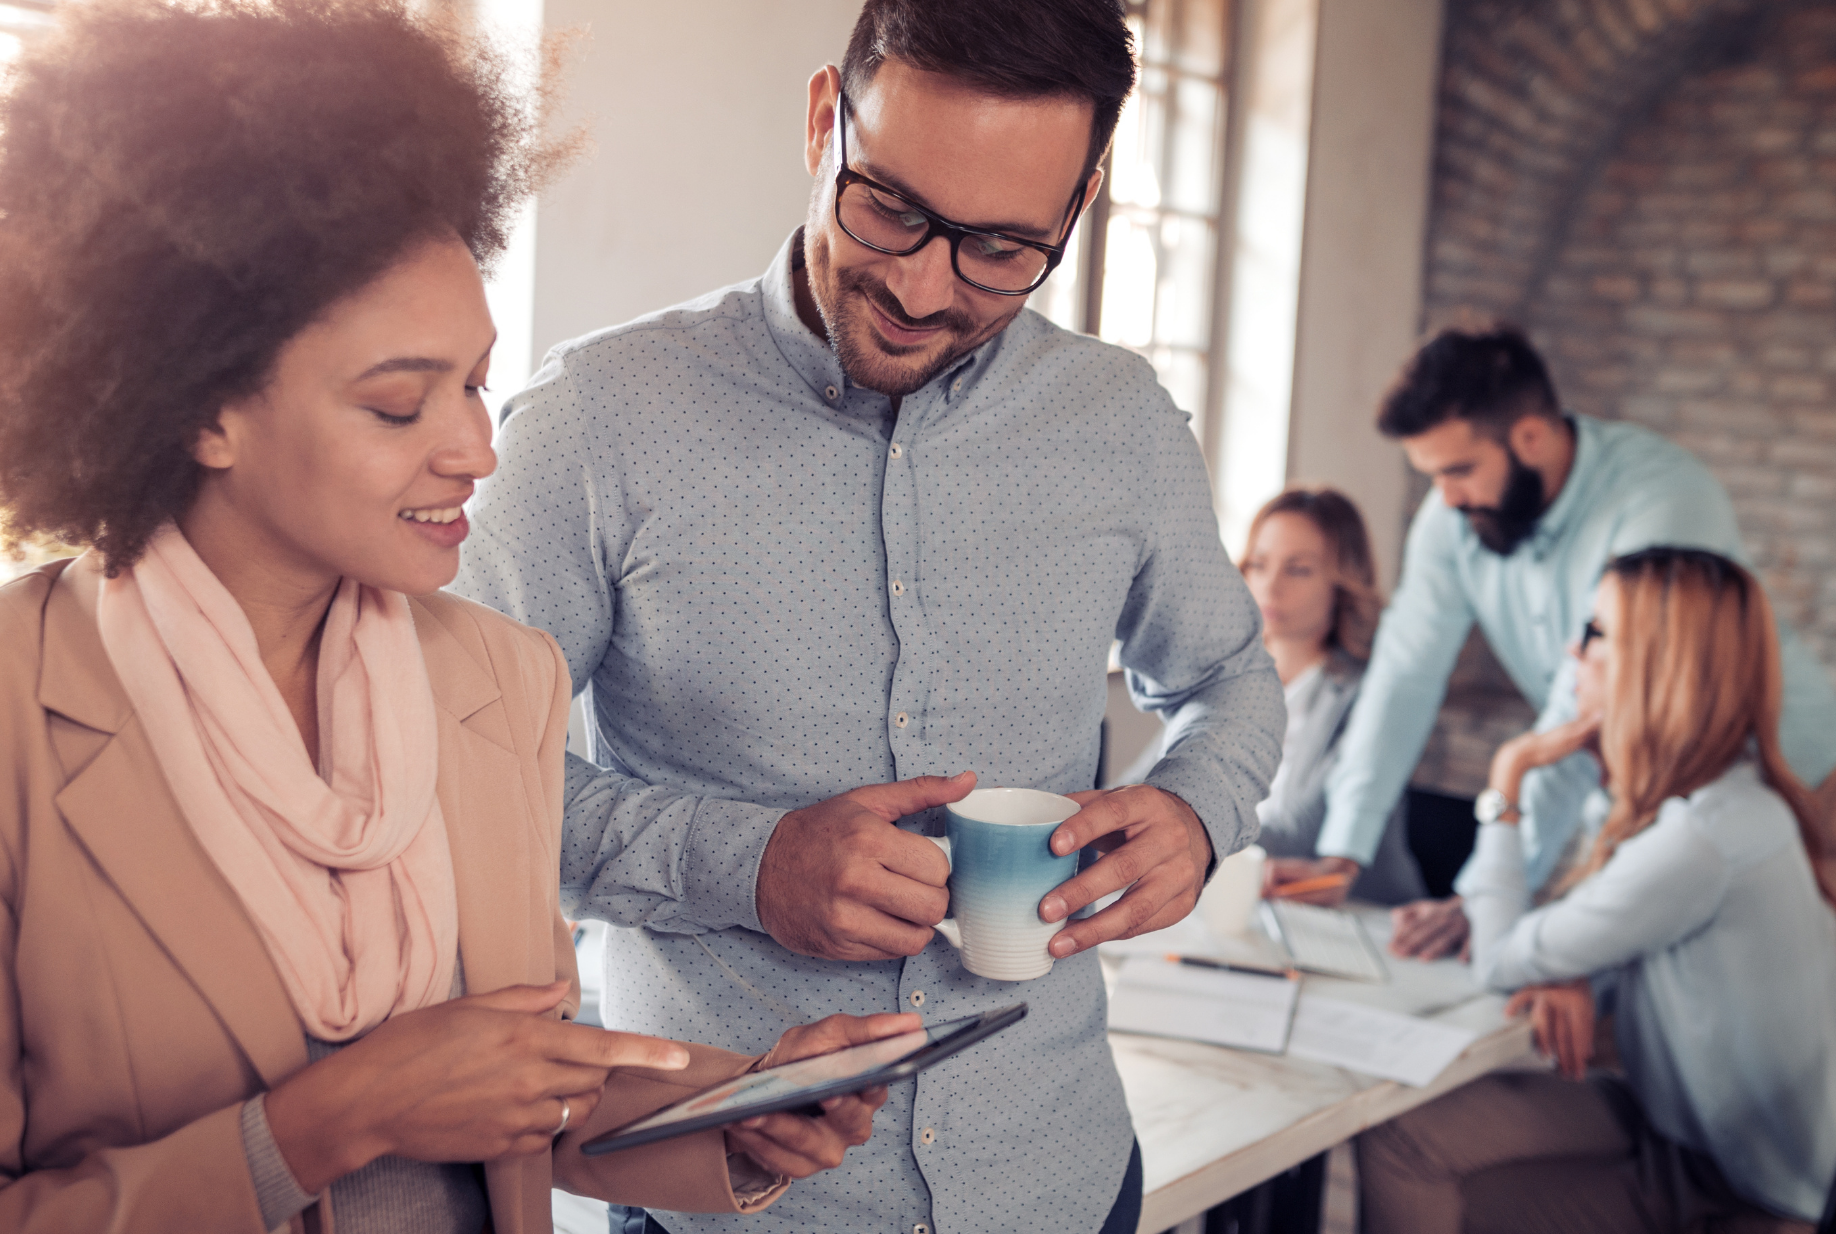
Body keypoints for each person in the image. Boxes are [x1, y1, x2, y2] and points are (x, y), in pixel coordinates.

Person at [0, 6, 909, 1232]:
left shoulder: (498, 679)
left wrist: (731, 1112)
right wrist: (327, 1122)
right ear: (201, 412)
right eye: (399, 406)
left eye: (475, 382)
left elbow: (514, 1087)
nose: (475, 450)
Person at [451, 2, 1285, 1231]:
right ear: (821, 123)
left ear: (1079, 204)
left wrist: (1196, 812)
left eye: (1000, 248)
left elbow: (1230, 678)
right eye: (888, 206)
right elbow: (456, 775)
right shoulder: (596, 422)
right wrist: (746, 865)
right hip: (730, 1206)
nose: (918, 287)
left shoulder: (1122, 426)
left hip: (1061, 1182)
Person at [1314, 324, 1836, 957]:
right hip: (1649, 784)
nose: (1445, 498)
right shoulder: (1454, 518)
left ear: (1530, 436)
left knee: (1738, 991)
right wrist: (1343, 851)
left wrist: (1483, 893)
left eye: (1460, 470)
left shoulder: (1661, 498)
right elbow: (1403, 676)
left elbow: (1581, 709)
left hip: (1790, 775)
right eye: (1432, 475)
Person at [1356, 547, 1836, 1231]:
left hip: (1739, 1192)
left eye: (1595, 632)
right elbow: (1587, 925)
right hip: (1679, 1132)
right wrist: (1570, 965)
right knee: (1402, 1136)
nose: (1573, 650)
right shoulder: (1725, 801)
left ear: (1659, 664)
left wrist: (1507, 779)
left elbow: (1500, 959)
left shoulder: (1701, 839)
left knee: (1419, 1165)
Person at [1233, 488, 1425, 906]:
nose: (1270, 586)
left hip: (1365, 915)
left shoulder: (1369, 695)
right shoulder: (1228, 679)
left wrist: (1176, 825)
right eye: (1259, 565)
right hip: (1253, 899)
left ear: (1342, 584)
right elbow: (1150, 780)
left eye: (1298, 570)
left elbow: (1299, 837)